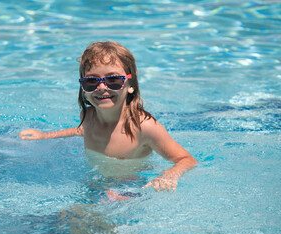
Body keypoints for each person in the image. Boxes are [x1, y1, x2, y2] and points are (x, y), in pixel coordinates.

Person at [19, 41, 197, 195]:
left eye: (113, 80)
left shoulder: (143, 127)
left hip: (133, 187)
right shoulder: (88, 116)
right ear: (83, 88)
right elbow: (80, 130)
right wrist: (46, 136)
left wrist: (170, 175)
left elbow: (186, 159)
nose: (102, 87)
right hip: (97, 183)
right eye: (91, 81)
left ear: (130, 85)